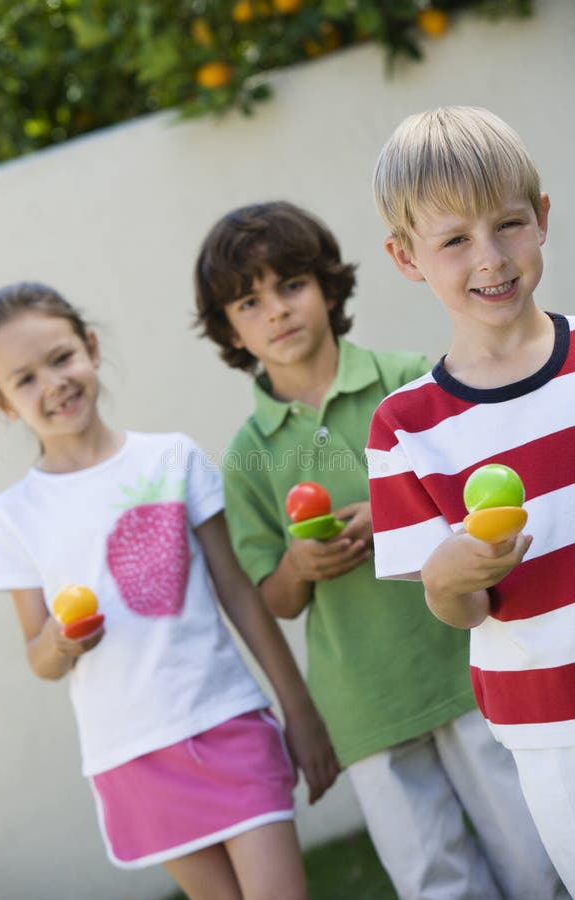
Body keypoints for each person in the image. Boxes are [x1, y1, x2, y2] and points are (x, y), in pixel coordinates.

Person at [194, 200, 566, 900]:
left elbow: (470, 507)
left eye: (291, 285)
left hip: (462, 672)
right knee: (435, 881)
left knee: (535, 860)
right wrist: (299, 567)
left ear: (329, 287)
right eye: (249, 301)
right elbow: (270, 595)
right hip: (364, 704)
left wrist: (390, 515)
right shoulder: (248, 454)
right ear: (229, 330)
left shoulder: (407, 383)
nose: (276, 311)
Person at [0, 281, 340, 900]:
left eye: (62, 358)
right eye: (25, 379)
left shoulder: (172, 459)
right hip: (133, 757)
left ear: (90, 348)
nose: (54, 384)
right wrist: (64, 644)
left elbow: (238, 592)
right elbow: (38, 655)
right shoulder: (13, 515)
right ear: (3, 401)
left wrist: (298, 710)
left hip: (228, 723)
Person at [367, 104, 575, 897]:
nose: (490, 258)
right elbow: (456, 608)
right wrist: (452, 574)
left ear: (543, 218)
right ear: (406, 257)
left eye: (509, 225)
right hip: (549, 726)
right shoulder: (407, 429)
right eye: (454, 240)